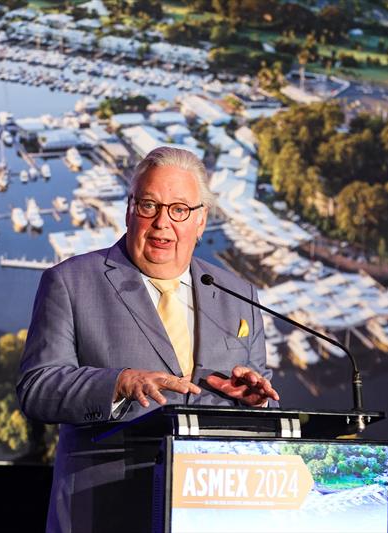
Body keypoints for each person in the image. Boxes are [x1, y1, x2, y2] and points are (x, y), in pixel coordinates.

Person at [17, 147, 280, 533]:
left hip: (211, 511)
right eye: (149, 206)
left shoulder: (237, 294)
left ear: (201, 219)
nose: (161, 223)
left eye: (179, 209)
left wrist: (255, 404)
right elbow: (37, 389)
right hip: (105, 511)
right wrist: (118, 383)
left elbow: (262, 408)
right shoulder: (70, 282)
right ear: (129, 209)